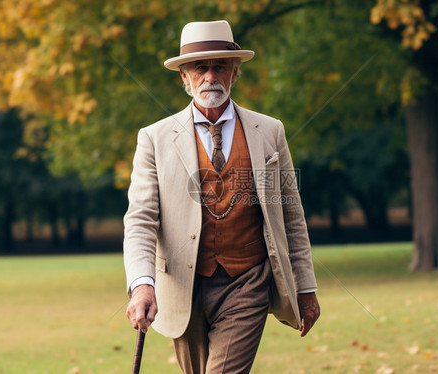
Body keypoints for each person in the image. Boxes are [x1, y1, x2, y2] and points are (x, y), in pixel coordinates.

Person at [123, 20, 320, 373]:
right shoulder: (153, 139)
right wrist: (141, 285)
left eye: (220, 66)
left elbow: (292, 216)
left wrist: (305, 287)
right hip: (183, 287)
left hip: (249, 282)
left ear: (235, 73)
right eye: (200, 67)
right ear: (184, 76)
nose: (210, 76)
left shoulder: (270, 131)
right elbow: (140, 218)